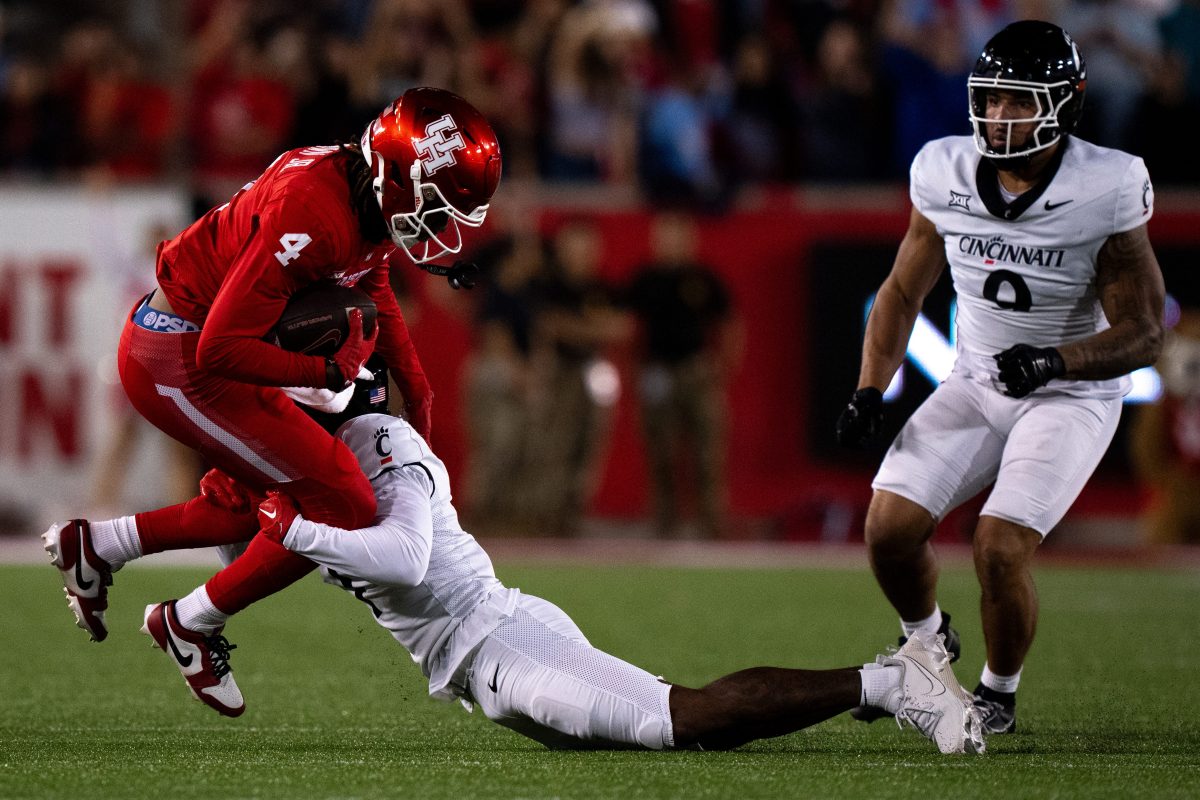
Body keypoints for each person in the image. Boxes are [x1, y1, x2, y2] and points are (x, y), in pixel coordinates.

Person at [121, 366, 986, 754]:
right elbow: (228, 503)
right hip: (475, 660)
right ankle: (886, 684)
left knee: (682, 722)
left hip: (497, 638)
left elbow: (405, 552)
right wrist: (128, 549)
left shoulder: (384, 444)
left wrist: (291, 528)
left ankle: (890, 684)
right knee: (631, 736)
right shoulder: (314, 467)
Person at [42, 87, 502, 646]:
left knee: (265, 500)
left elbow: (370, 277)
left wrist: (416, 383)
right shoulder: (315, 213)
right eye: (433, 205)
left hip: (199, 348)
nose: (438, 227)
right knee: (340, 503)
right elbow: (220, 346)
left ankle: (95, 546)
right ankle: (190, 623)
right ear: (396, 177)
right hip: (175, 356)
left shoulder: (360, 193)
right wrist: (329, 374)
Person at [835, 21, 1164, 734]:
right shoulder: (944, 170)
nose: (1000, 117)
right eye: (991, 100)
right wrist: (870, 387)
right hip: (977, 379)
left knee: (999, 546)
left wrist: (1057, 360)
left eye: (1019, 102)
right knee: (888, 528)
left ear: (1064, 104)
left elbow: (1143, 332)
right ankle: (927, 641)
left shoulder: (1104, 185)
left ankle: (997, 692)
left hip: (1069, 394)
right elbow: (899, 292)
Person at [624, 212, 739, 539]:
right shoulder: (645, 279)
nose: (670, 243)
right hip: (658, 371)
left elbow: (729, 323)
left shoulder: (703, 278)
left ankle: (710, 521)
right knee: (660, 450)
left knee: (707, 450)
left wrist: (722, 365)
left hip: (696, 370)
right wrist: (634, 370)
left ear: (690, 240)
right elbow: (629, 326)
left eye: (676, 235)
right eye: (664, 236)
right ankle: (664, 521)